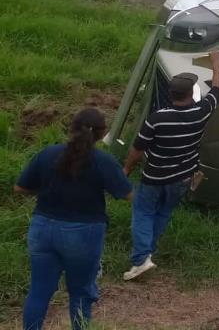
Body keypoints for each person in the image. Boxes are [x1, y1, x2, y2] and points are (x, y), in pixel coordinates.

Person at [15, 108, 133, 330]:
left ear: (71, 128)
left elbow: (20, 187)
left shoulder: (48, 153)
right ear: (101, 133)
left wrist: (45, 189)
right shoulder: (103, 161)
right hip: (83, 233)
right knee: (80, 292)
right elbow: (128, 195)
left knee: (39, 291)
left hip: (42, 228)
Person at [122, 51, 219, 281]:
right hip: (183, 177)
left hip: (155, 177)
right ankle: (148, 252)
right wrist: (217, 63)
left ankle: (140, 259)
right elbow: (218, 89)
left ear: (170, 94)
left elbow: (137, 149)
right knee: (164, 212)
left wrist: (126, 169)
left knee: (143, 212)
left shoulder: (157, 119)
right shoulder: (201, 112)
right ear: (190, 93)